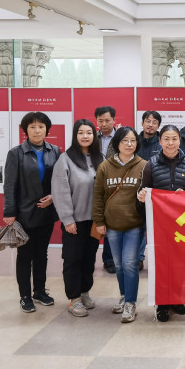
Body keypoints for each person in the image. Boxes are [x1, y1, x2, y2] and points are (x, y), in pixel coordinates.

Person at [3, 112, 61, 313]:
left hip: (46, 211)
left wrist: (53, 196)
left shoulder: (55, 151)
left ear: (47, 129)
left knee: (42, 253)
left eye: (41, 126)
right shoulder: (16, 153)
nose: (37, 130)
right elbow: (10, 185)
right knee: (25, 255)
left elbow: (59, 180)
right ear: (25, 130)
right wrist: (9, 211)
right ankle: (25, 296)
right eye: (32, 127)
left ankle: (40, 291)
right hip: (24, 213)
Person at [137, 124, 185, 322]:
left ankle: (176, 298)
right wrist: (141, 196)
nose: (171, 143)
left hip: (183, 224)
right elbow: (142, 190)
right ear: (160, 141)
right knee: (161, 264)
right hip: (160, 224)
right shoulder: (150, 164)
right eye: (166, 139)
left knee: (180, 264)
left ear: (180, 141)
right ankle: (162, 303)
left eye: (174, 139)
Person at [93, 126, 147, 323]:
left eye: (133, 141)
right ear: (117, 143)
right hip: (112, 225)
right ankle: (124, 296)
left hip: (134, 224)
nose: (129, 144)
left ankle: (131, 303)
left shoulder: (144, 165)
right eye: (125, 141)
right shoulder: (105, 166)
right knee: (118, 265)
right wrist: (99, 221)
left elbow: (150, 194)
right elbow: (98, 196)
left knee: (130, 264)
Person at [52, 119, 104, 317]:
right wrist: (67, 219)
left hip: (95, 220)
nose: (85, 136)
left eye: (89, 132)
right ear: (75, 135)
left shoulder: (100, 158)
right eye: (81, 132)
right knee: (72, 259)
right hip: (74, 221)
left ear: (94, 135)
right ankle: (74, 299)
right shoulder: (65, 159)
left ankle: (84, 292)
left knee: (89, 258)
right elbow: (60, 191)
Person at [135, 110, 162, 271]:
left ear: (158, 126)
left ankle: (157, 258)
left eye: (154, 122)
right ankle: (139, 258)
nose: (150, 125)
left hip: (156, 191)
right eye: (148, 121)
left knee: (156, 228)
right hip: (137, 190)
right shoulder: (134, 141)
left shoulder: (161, 142)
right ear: (142, 123)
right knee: (139, 226)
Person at [95, 106, 117, 274]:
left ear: (114, 120)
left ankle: (109, 259)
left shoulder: (121, 138)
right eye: (100, 121)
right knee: (95, 222)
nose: (104, 124)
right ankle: (89, 257)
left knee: (111, 223)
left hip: (114, 185)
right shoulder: (92, 137)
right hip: (94, 185)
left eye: (107, 120)